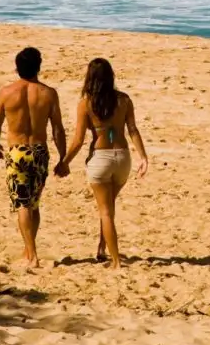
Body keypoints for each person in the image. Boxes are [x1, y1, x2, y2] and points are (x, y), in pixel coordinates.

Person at [60, 58, 149, 269]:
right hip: (123, 157)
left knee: (105, 211)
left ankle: (116, 260)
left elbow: (79, 140)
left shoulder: (86, 104)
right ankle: (102, 248)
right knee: (109, 206)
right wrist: (143, 157)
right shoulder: (124, 100)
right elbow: (133, 130)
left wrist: (64, 162)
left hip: (100, 158)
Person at [0, 47, 69, 269]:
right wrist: (63, 158)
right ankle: (28, 249)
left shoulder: (6, 92)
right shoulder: (49, 93)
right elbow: (58, 130)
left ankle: (32, 256)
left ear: (17, 67)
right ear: (39, 67)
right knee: (34, 203)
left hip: (17, 152)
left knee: (23, 204)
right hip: (40, 151)